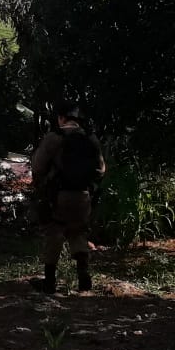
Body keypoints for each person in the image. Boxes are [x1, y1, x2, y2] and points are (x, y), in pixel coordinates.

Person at [30, 102, 105, 294]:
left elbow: (38, 168)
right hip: (83, 196)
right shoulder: (91, 138)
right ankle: (83, 277)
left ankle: (49, 282)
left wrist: (43, 185)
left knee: (53, 233)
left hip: (59, 196)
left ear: (61, 118)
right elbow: (100, 169)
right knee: (78, 232)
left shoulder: (53, 138)